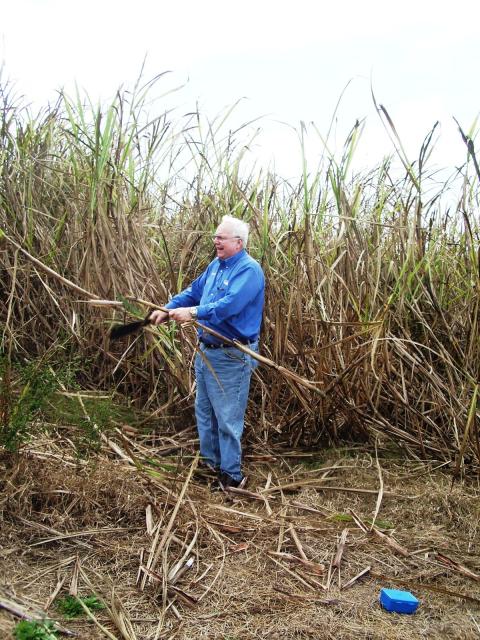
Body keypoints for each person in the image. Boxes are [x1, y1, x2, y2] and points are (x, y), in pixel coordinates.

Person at [150, 215, 265, 489]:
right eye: (215, 236)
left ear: (238, 243)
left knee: (227, 417)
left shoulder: (249, 271)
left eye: (221, 238)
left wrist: (192, 313)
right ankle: (210, 465)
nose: (215, 241)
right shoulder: (216, 266)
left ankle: (231, 477)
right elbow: (194, 291)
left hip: (231, 354)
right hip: (206, 352)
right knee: (204, 411)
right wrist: (168, 309)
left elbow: (228, 306)